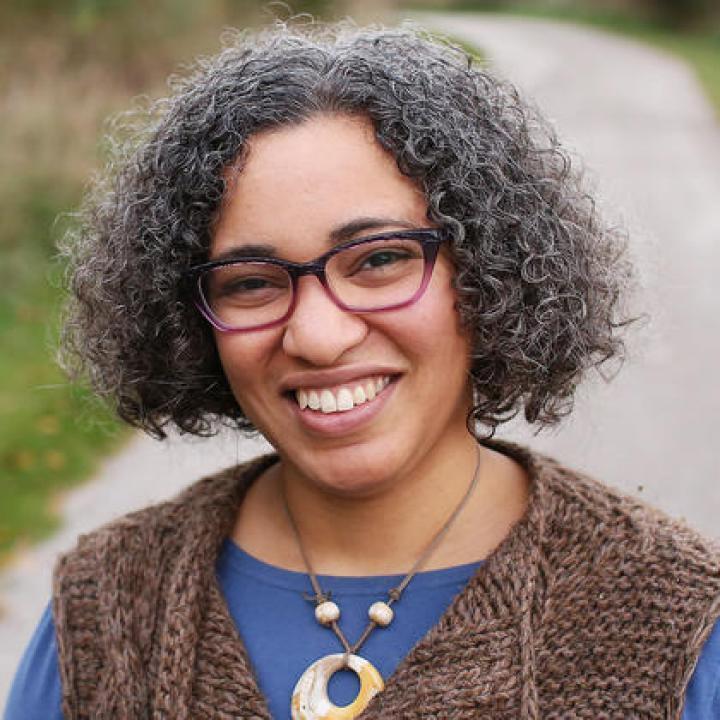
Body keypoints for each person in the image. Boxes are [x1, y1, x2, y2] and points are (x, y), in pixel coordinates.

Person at [5, 20, 719, 720]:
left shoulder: (679, 622)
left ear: (490, 272)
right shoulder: (103, 611)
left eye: (379, 259)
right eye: (251, 281)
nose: (317, 335)